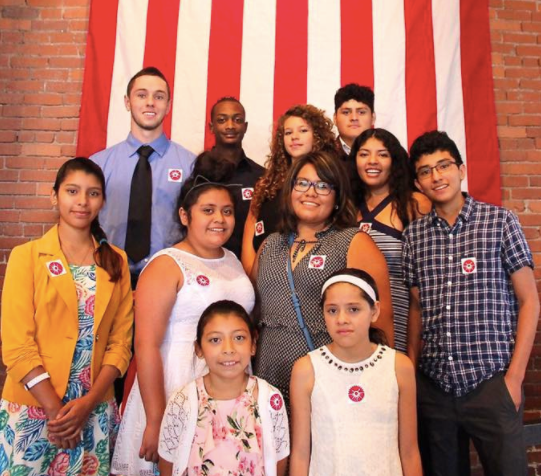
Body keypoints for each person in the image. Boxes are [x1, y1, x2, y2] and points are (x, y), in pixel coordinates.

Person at [404, 131, 539, 476]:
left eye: (444, 165)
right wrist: (413, 373)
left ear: (461, 170)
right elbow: (417, 309)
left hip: (491, 382)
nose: (436, 176)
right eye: (425, 170)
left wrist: (514, 378)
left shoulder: (499, 222)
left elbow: (529, 302)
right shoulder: (413, 236)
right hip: (435, 387)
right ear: (418, 182)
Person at [111, 178, 255, 476]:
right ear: (185, 216)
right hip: (176, 380)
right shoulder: (167, 264)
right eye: (208, 210)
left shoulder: (233, 260)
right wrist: (155, 418)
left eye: (227, 211)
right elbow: (146, 344)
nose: (220, 219)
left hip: (230, 381)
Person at [0, 158, 133, 475]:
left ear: (102, 200)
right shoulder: (27, 257)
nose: (82, 202)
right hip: (34, 407)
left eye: (93, 193)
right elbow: (17, 346)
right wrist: (57, 413)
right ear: (54, 195)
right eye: (72, 191)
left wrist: (87, 406)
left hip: (93, 408)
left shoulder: (116, 261)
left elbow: (120, 344)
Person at [252, 150, 394, 410]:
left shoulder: (353, 242)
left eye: (323, 186)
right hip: (267, 383)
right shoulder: (269, 245)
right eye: (302, 183)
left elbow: (381, 325)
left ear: (338, 196)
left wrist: (376, 387)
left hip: (331, 386)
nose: (310, 192)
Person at [290, 268, 421, 475]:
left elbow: (409, 451)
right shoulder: (307, 369)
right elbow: (300, 453)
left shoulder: (399, 366)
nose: (342, 319)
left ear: (375, 311)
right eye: (332, 310)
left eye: (353, 309)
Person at [91, 66, 195, 288]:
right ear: (128, 102)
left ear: (168, 106)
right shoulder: (98, 165)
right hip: (108, 278)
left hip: (171, 281)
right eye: (141, 95)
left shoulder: (190, 166)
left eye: (159, 97)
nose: (150, 102)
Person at [158, 300, 290, 476]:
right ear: (199, 349)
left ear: (253, 344)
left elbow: (279, 459)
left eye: (239, 338)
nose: (228, 349)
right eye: (215, 340)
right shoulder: (182, 401)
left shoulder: (270, 399)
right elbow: (168, 461)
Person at [348, 128, 431, 352]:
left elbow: (427, 281)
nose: (372, 161)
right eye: (364, 154)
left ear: (394, 161)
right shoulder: (346, 208)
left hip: (402, 323)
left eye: (382, 154)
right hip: (352, 327)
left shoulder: (414, 204)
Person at [241, 104, 337, 274]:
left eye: (303, 131)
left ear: (318, 136)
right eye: (288, 132)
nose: (294, 137)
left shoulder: (331, 179)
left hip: (306, 273)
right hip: (260, 274)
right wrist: (251, 272)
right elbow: (251, 226)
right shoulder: (267, 181)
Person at [207, 96, 265, 258]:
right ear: (211, 127)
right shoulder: (197, 172)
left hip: (248, 268)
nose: (230, 126)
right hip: (204, 268)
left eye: (237, 120)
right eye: (222, 120)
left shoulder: (262, 176)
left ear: (245, 127)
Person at [333, 83, 375, 159]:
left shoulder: (390, 156)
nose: (354, 118)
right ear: (335, 118)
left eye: (361, 112)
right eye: (346, 112)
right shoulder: (321, 159)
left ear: (373, 118)